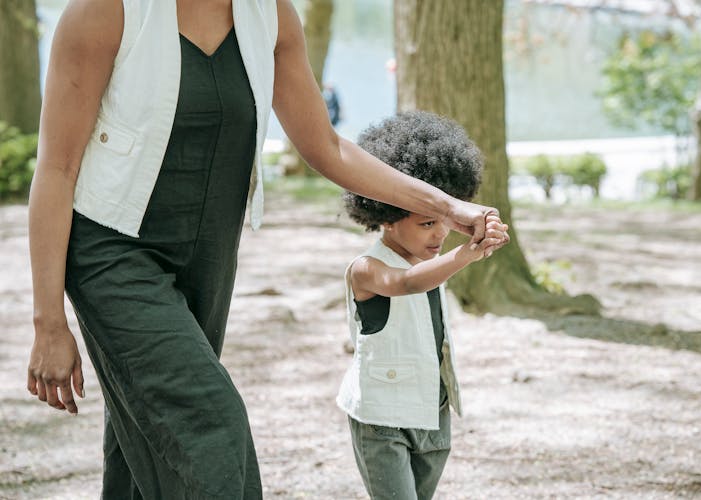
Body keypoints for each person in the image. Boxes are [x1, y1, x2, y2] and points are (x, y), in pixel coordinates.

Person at [26, 1, 507, 498]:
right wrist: (48, 321)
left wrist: (447, 207)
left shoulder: (270, 15)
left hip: (209, 257)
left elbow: (325, 145)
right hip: (111, 254)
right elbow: (57, 169)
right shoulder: (106, 12)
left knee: (147, 437)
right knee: (210, 420)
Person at [336, 111, 509, 500]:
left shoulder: (429, 263)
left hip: (432, 409)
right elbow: (407, 284)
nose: (441, 233)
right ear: (387, 217)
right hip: (381, 418)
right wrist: (468, 254)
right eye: (427, 223)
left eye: (444, 221)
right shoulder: (367, 269)